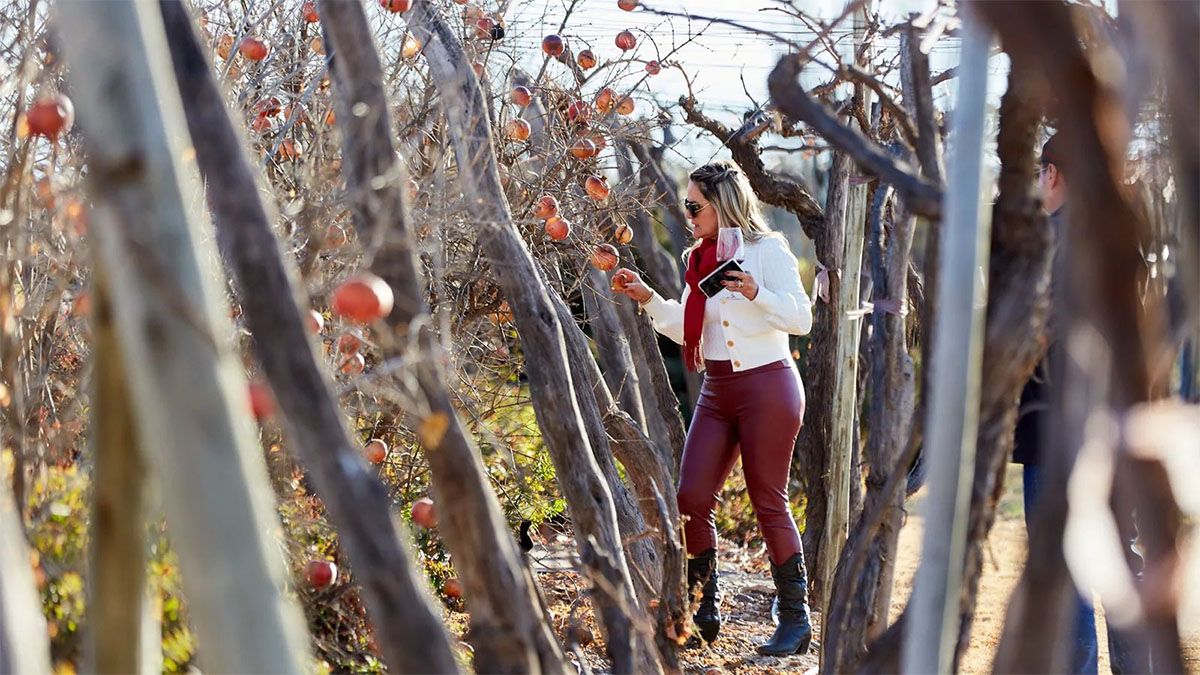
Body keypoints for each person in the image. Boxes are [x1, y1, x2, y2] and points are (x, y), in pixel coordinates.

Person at [610, 160, 815, 656]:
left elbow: (802, 318)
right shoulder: (699, 258)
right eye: (687, 205)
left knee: (769, 501)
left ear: (722, 204)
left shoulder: (768, 250)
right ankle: (704, 608)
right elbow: (688, 328)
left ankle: (795, 617)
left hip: (769, 388)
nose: (688, 214)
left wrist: (754, 290)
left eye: (694, 205)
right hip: (718, 392)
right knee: (691, 497)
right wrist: (648, 298)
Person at [1015, 133, 1145, 674]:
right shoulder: (1120, 238)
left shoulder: (1046, 242)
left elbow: (1033, 337)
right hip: (1114, 419)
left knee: (1064, 564)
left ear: (1051, 173)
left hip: (1052, 420)